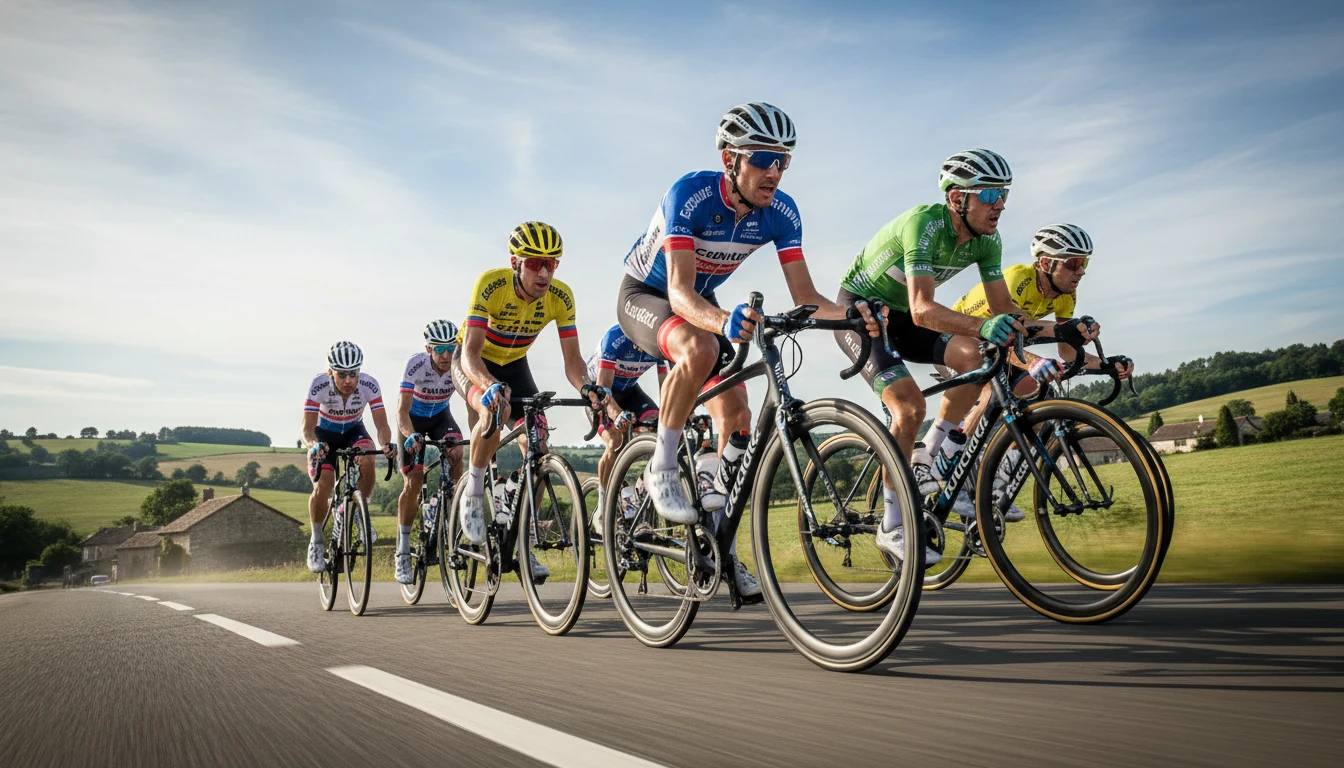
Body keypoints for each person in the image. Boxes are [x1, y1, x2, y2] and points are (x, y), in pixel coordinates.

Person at [616, 102, 881, 598]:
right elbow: (678, 294)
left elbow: (807, 299)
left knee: (737, 415)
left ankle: (721, 547)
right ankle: (663, 465)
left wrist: (853, 316)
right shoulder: (690, 195)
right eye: (763, 159)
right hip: (648, 295)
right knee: (699, 348)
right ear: (730, 159)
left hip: (701, 298)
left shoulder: (781, 213)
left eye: (784, 161)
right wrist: (722, 322)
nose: (774, 172)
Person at [835, 148, 1026, 566]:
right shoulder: (924, 224)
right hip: (864, 314)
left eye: (1004, 193)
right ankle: (891, 524)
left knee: (979, 361)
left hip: (906, 318)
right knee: (908, 407)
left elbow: (1004, 310)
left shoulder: (987, 240)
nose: (1000, 204)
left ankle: (931, 452)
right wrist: (983, 325)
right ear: (958, 198)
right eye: (990, 193)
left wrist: (1060, 333)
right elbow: (922, 307)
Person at [932, 224, 1131, 519]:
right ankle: (948, 468)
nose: (1081, 271)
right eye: (1073, 263)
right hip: (956, 341)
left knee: (1037, 394)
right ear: (1046, 263)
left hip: (996, 347)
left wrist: (1105, 365)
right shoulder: (1016, 280)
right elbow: (1008, 338)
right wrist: (1035, 362)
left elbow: (1067, 351)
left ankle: (996, 481)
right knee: (991, 388)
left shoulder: (1065, 296)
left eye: (1084, 263)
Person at [452, 222, 607, 581]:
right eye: (535, 263)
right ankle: (474, 496)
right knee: (495, 409)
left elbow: (573, 362)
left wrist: (587, 387)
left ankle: (520, 541)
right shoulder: (491, 284)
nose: (544, 272)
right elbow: (471, 355)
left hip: (515, 363)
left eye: (552, 264)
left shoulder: (561, 297)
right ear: (515, 263)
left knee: (537, 439)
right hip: (474, 362)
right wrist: (489, 385)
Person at [302, 341, 395, 573]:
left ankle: (361, 514)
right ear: (331, 372)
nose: (348, 380)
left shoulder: (369, 385)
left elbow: (382, 424)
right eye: (341, 374)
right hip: (324, 435)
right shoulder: (319, 385)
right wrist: (314, 445)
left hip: (353, 430)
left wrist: (385, 444)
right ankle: (316, 540)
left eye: (353, 374)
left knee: (368, 456)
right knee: (323, 484)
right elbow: (307, 429)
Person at [394, 319, 466, 584]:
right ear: (428, 348)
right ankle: (402, 550)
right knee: (413, 480)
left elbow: (470, 400)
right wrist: (410, 434)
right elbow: (401, 411)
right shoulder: (415, 365)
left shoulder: (458, 362)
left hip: (440, 417)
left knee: (457, 452)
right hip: (412, 420)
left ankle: (451, 507)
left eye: (451, 347)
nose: (447, 355)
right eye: (440, 349)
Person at [585, 324, 667, 534]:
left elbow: (666, 387)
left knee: (664, 434)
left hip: (631, 391)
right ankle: (604, 503)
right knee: (615, 441)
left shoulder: (660, 341)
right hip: (599, 392)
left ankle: (641, 488)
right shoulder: (615, 338)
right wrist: (616, 415)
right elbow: (604, 391)